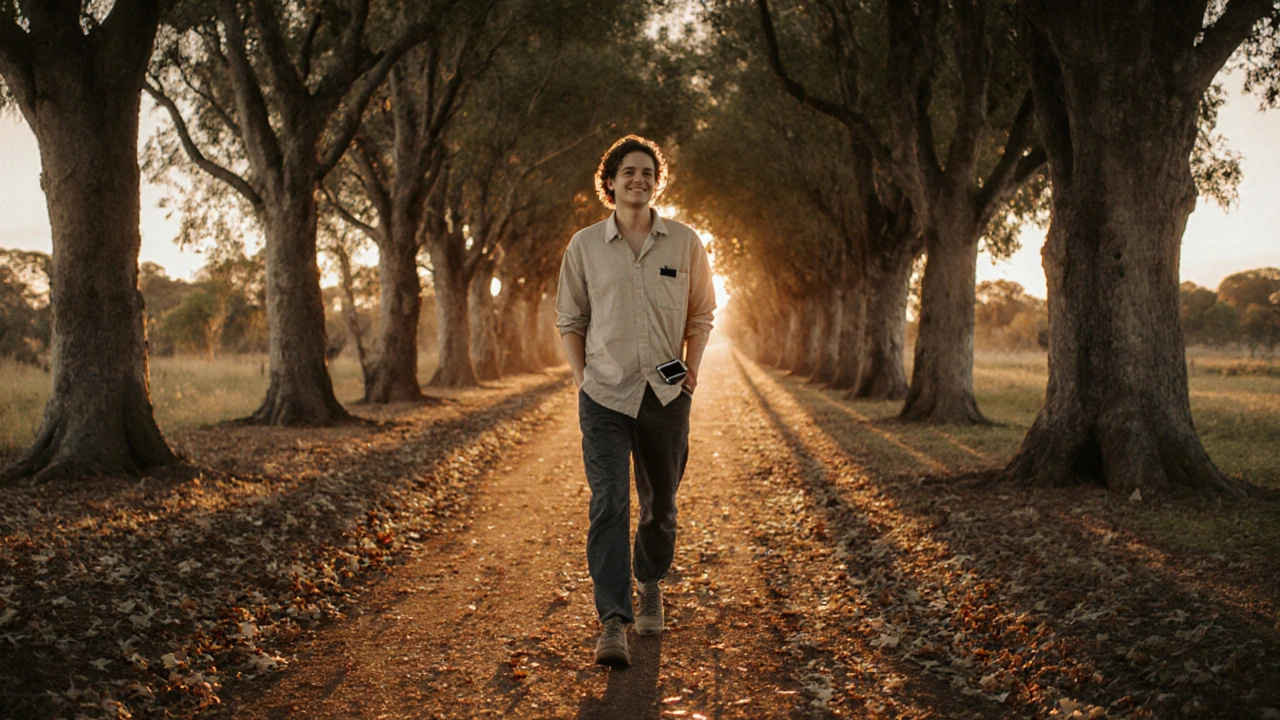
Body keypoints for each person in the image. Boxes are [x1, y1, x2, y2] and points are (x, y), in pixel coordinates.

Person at [555, 135, 716, 668]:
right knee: (609, 504)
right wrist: (581, 378)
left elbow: (701, 314)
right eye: (628, 171)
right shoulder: (583, 247)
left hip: (666, 396)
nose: (638, 179)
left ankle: (650, 580)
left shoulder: (685, 243)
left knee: (660, 508)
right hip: (603, 394)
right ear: (610, 182)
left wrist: (691, 371)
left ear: (656, 181)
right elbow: (571, 320)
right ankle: (612, 622)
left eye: (647, 171)